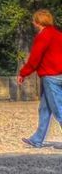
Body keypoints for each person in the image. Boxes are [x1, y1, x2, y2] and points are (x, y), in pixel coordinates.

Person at [20, 9, 62, 148]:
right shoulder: (58, 35)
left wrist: (23, 73)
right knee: (44, 108)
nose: (33, 23)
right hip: (59, 75)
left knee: (58, 109)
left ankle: (37, 139)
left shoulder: (43, 36)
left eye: (34, 20)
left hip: (51, 76)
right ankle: (37, 139)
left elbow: (35, 59)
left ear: (38, 22)